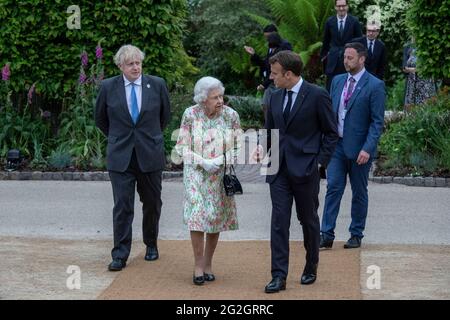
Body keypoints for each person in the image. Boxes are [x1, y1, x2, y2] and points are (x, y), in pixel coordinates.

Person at [254, 51, 339, 293]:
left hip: (306, 169)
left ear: (288, 74)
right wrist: (262, 148)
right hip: (278, 169)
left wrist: (320, 163)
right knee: (279, 222)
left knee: (308, 220)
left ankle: (311, 265)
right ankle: (278, 275)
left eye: (274, 74)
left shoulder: (317, 95)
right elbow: (270, 131)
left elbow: (331, 133)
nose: (271, 78)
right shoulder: (274, 97)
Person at [95, 44, 171, 271]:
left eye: (138, 63)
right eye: (130, 64)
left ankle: (151, 244)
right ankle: (120, 254)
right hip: (121, 156)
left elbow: (164, 117)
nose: (136, 67)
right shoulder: (109, 87)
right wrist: (120, 138)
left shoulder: (157, 84)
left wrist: (147, 137)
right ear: (121, 66)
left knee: (152, 203)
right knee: (122, 206)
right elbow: (101, 119)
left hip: (150, 153)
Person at [175, 76, 241, 286]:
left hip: (219, 174)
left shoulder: (231, 116)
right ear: (203, 99)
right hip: (195, 172)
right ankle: (197, 265)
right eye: (215, 97)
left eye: (221, 95)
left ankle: (208, 263)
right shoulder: (190, 114)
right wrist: (202, 161)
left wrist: (221, 160)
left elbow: (239, 147)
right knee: (197, 216)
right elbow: (181, 147)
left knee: (214, 217)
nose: (220, 100)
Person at [320, 42, 385, 250]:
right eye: (345, 57)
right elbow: (331, 113)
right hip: (337, 147)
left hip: (360, 149)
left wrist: (367, 148)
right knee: (333, 188)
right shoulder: (337, 81)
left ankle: (356, 234)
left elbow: (377, 122)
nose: (345, 61)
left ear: (361, 59)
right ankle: (326, 233)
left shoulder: (375, 85)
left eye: (350, 58)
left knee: (359, 192)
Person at [244, 24, 292, 114]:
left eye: (268, 37)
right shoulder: (271, 46)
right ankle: (268, 126)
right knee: (266, 105)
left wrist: (264, 84)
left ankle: (277, 126)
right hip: (270, 82)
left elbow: (283, 66)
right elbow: (266, 64)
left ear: (275, 34)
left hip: (280, 81)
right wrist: (253, 55)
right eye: (266, 37)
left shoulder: (284, 45)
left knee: (277, 107)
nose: (267, 39)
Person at [320, 0, 362, 92]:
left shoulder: (354, 21)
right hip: (333, 62)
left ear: (347, 6)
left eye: (343, 6)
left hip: (349, 61)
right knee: (330, 89)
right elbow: (325, 41)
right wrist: (323, 57)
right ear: (335, 7)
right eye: (339, 6)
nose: (341, 8)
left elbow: (359, 42)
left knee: (347, 90)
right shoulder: (330, 22)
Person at [402, 38, 437, 109]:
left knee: (427, 105)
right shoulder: (407, 46)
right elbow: (404, 68)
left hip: (426, 82)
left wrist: (412, 69)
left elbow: (431, 66)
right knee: (411, 106)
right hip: (412, 82)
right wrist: (419, 69)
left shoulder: (428, 45)